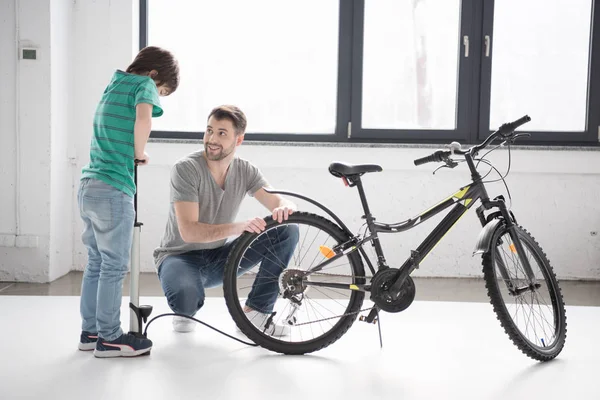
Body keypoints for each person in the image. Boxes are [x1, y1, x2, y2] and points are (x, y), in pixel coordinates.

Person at [153, 105, 300, 336]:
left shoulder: (245, 170)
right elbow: (189, 232)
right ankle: (186, 307)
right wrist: (239, 227)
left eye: (222, 133)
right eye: (209, 130)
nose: (212, 139)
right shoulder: (186, 169)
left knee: (287, 229)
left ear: (238, 140)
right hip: (178, 256)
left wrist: (287, 207)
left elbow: (277, 202)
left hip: (218, 258)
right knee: (185, 300)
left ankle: (255, 313)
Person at [77, 46, 179, 358]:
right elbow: (143, 120)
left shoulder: (115, 82)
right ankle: (110, 338)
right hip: (114, 187)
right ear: (154, 75)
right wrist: (138, 152)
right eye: (162, 90)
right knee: (113, 266)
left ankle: (90, 331)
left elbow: (109, 126)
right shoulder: (144, 85)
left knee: (95, 262)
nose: (157, 94)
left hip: (88, 185)